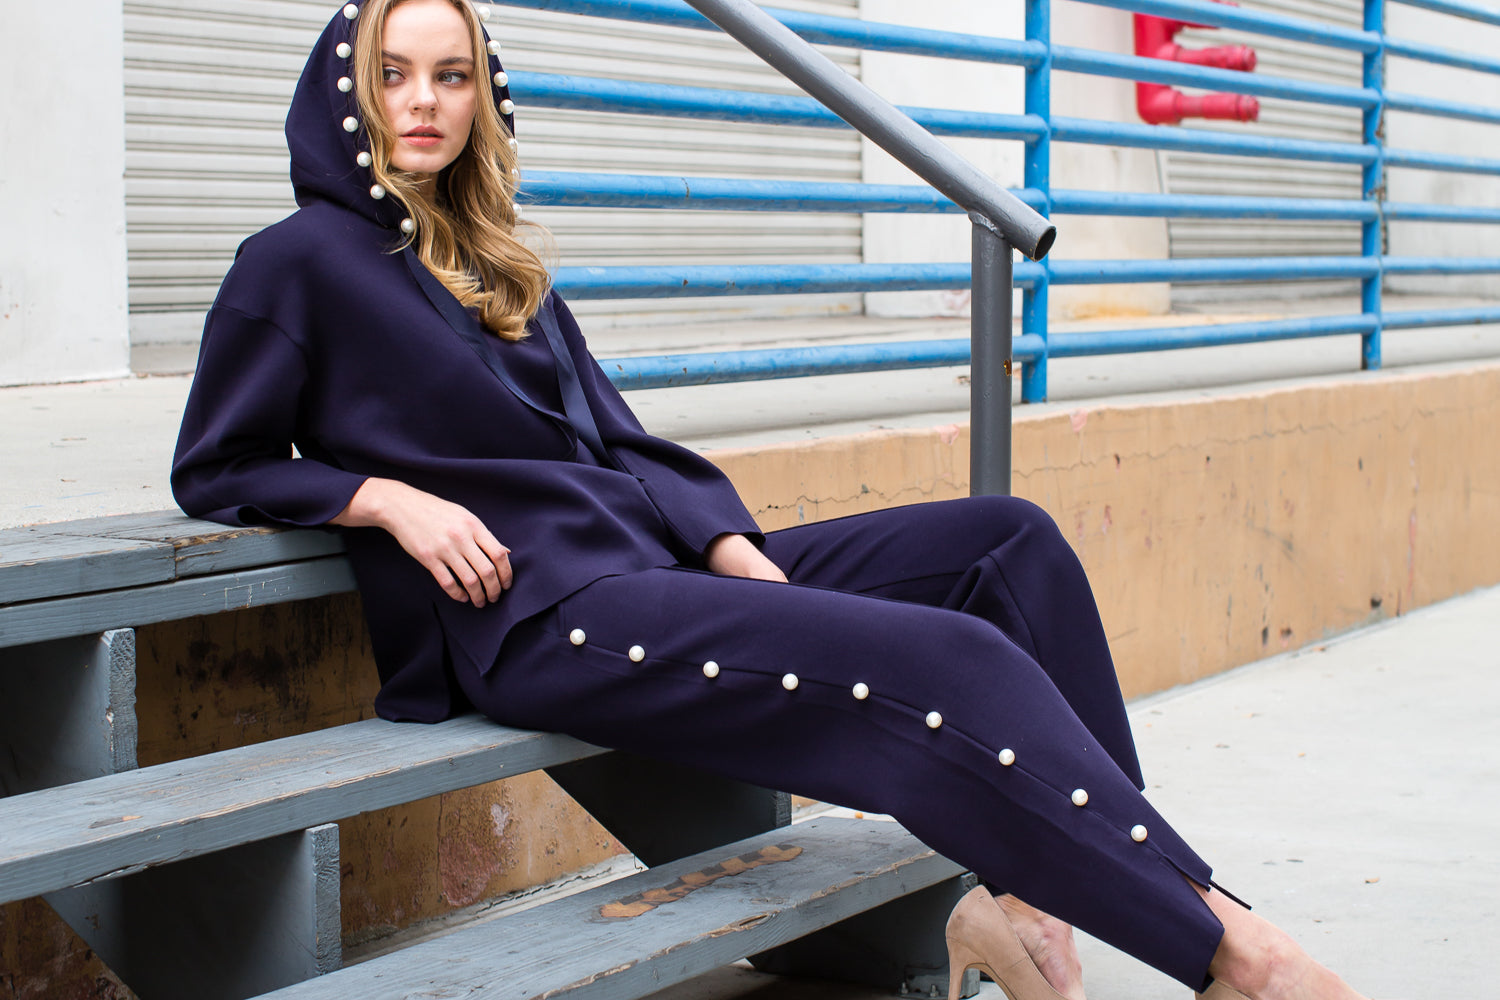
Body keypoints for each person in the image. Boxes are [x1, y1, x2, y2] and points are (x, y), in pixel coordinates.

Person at [170, 3, 1375, 999]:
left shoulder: (496, 260)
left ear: (486, 96)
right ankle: (1234, 955)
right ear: (347, 93)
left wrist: (726, 540)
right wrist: (389, 500)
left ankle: (1038, 896)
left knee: (1007, 543)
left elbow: (621, 439)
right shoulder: (296, 261)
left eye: (452, 75)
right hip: (544, 616)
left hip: (649, 566)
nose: (423, 101)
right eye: (392, 75)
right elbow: (217, 463)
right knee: (946, 662)